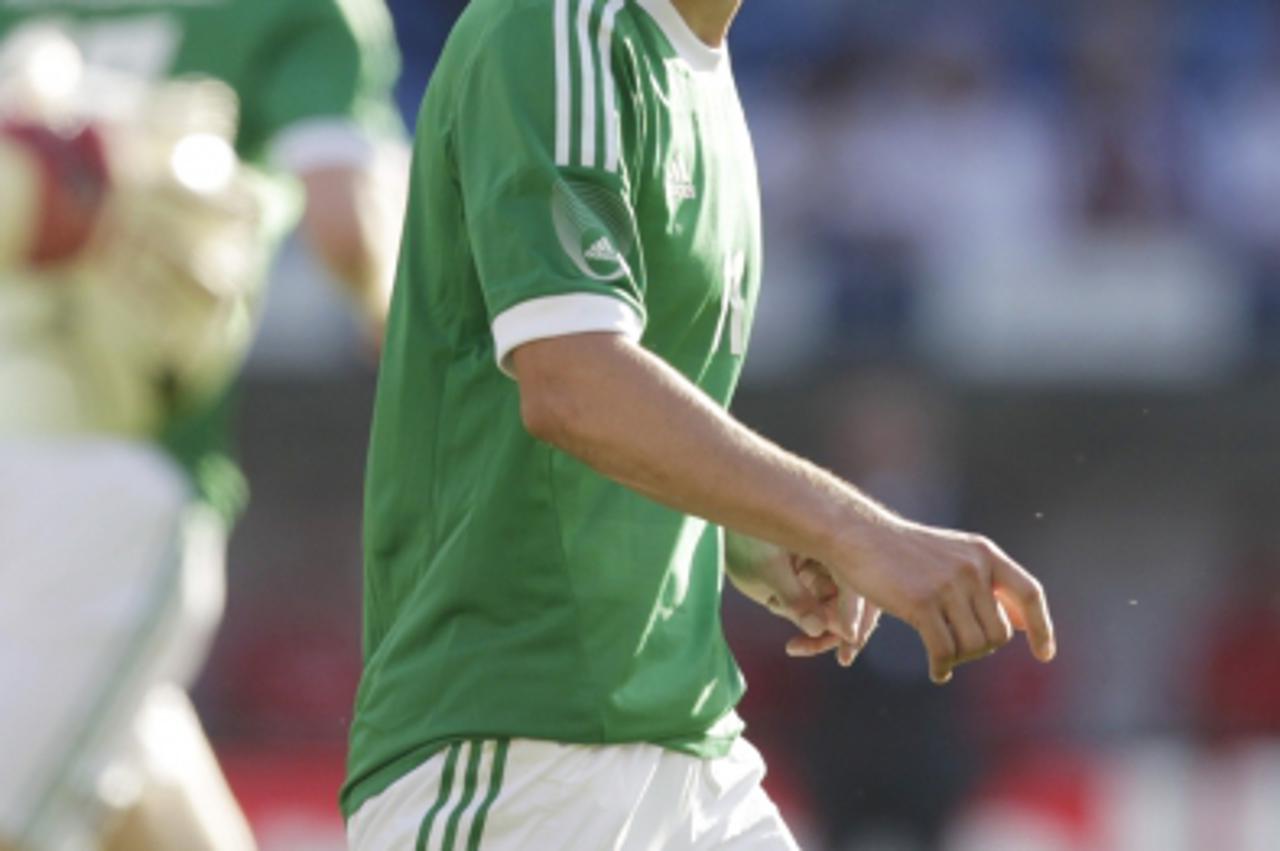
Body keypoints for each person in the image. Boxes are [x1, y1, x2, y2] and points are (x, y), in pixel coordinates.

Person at [342, 0, 1057, 848]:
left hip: (684, 747)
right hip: (513, 751)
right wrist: (858, 529)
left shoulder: (704, 72)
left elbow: (608, 419)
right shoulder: (555, 26)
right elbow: (569, 381)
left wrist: (743, 530)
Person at [0, 1, 405, 849]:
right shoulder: (296, 14)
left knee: (111, 747)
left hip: (46, 478)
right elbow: (346, 226)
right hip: (106, 493)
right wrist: (400, 309)